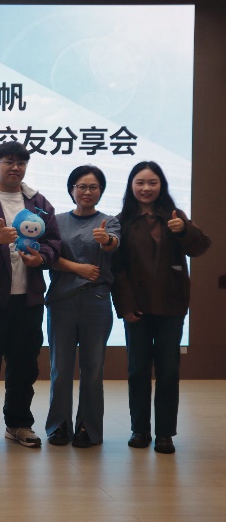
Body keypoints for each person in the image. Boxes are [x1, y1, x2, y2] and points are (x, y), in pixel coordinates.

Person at [0, 141, 61, 450]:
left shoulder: (38, 202)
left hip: (28, 299)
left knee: (24, 366)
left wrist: (42, 257)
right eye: (8, 161)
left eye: (21, 163)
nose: (15, 167)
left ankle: (18, 424)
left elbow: (54, 240)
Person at [111, 161, 210, 454]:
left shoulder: (176, 217)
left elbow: (200, 247)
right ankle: (140, 430)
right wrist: (125, 306)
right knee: (137, 370)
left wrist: (184, 230)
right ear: (131, 186)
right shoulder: (121, 221)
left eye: (152, 182)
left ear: (161, 186)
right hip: (136, 308)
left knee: (168, 371)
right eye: (140, 182)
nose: (146, 188)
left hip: (171, 306)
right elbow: (117, 268)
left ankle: (165, 434)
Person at [45, 165, 119, 448]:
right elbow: (48, 256)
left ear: (101, 191)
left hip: (96, 302)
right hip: (61, 302)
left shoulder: (109, 222)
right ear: (71, 190)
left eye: (93, 187)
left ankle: (88, 428)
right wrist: (78, 268)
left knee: (93, 368)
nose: (87, 192)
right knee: (60, 368)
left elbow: (113, 244)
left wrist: (106, 240)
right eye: (81, 186)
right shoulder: (57, 221)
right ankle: (59, 426)